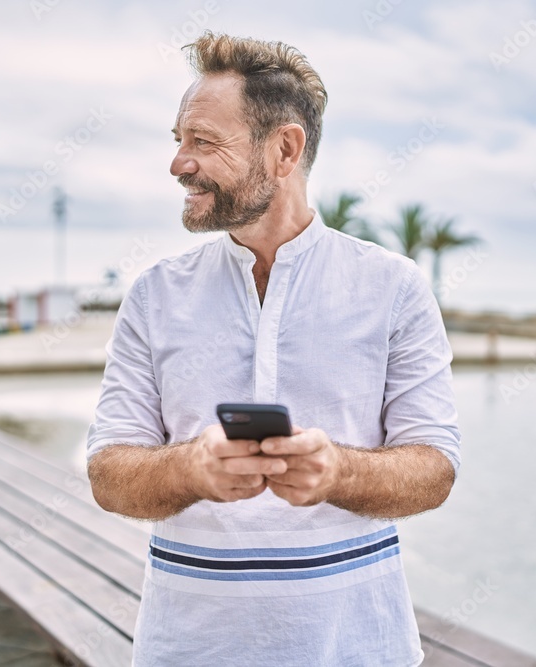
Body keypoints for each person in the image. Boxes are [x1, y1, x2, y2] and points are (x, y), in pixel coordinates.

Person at [85, 32, 461, 667]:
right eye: (178, 140)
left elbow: (435, 469)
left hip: (359, 650)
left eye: (203, 142)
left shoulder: (393, 287)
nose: (179, 162)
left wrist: (340, 471)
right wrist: (189, 469)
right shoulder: (153, 296)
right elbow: (108, 476)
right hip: (185, 651)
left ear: (285, 149)